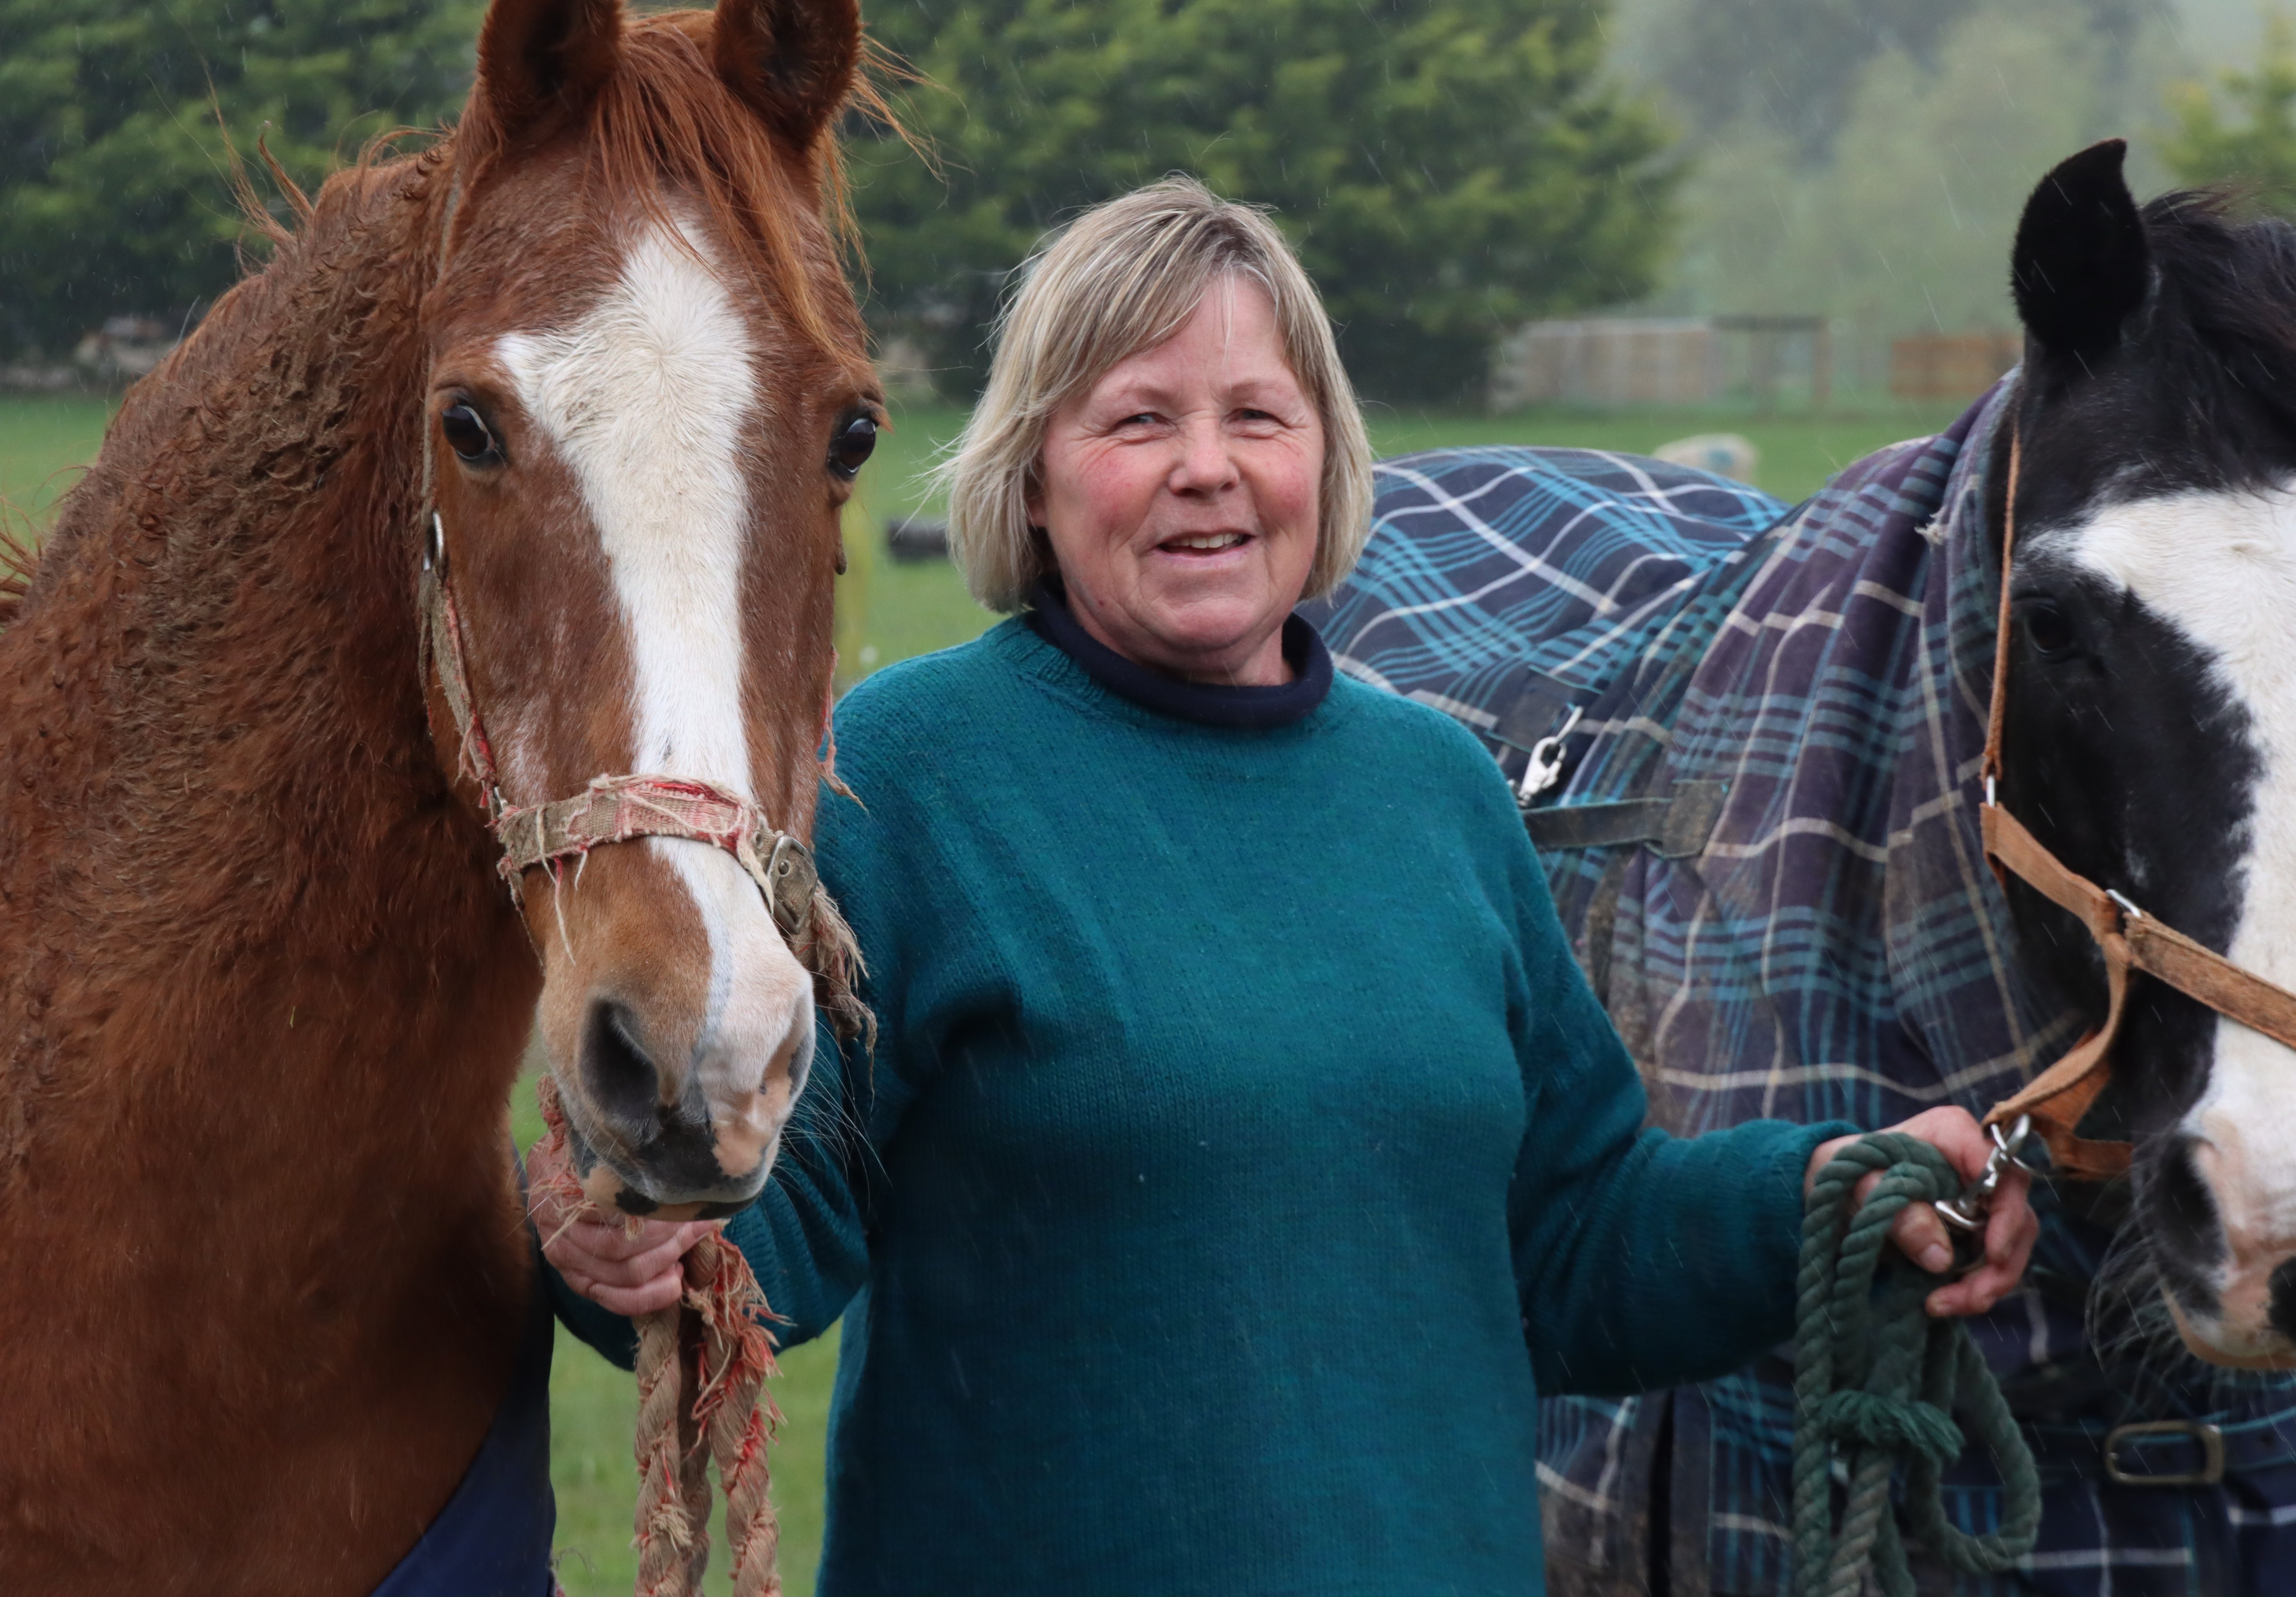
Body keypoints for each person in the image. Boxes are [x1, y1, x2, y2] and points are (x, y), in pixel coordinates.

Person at [530, 177, 2035, 1596]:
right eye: (1139, 419)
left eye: (1259, 413)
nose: (1209, 464)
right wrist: (626, 1239)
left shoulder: (1434, 791)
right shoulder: (911, 777)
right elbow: (765, 1224)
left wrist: (1827, 1197)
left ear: (1323, 460)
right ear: (1035, 480)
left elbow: (1570, 1241)